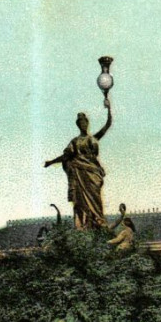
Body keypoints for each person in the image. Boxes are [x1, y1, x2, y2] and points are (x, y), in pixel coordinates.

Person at [44, 98, 112, 230]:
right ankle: (85, 225)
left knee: (96, 198)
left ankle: (98, 221)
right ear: (78, 125)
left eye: (85, 122)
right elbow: (66, 156)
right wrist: (51, 162)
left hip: (93, 173)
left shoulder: (93, 138)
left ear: (87, 124)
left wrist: (109, 109)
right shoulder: (75, 142)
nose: (83, 125)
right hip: (80, 173)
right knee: (81, 201)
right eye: (81, 123)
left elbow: (107, 125)